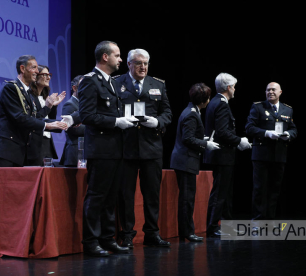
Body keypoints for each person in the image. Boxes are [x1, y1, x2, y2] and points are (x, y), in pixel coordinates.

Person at [79, 41, 136, 257]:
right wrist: (116, 122)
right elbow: (87, 116)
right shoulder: (90, 81)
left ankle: (107, 238)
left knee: (111, 197)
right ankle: (90, 242)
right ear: (105, 57)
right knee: (96, 196)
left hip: (115, 149)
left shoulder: (111, 83)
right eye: (118, 55)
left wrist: (123, 120)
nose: (120, 59)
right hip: (101, 150)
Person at [114, 49, 172, 248]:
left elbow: (167, 113)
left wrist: (157, 121)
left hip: (152, 146)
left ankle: (152, 233)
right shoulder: (116, 83)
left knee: (152, 194)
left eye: (146, 63)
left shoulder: (158, 84)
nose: (143, 67)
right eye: (138, 63)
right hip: (125, 146)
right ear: (128, 64)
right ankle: (127, 233)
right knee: (126, 194)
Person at [0, 55, 67, 167]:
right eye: (34, 67)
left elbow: (35, 117)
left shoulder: (27, 93)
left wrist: (57, 119)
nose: (37, 71)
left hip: (19, 152)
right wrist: (47, 125)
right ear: (22, 69)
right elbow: (20, 118)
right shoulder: (11, 88)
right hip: (6, 152)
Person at [203, 73, 252, 237]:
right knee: (219, 192)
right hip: (221, 155)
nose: (235, 90)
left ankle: (226, 225)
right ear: (229, 88)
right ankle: (212, 227)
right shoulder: (221, 104)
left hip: (222, 155)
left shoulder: (215, 102)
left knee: (224, 192)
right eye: (234, 86)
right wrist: (239, 141)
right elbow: (223, 132)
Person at [170, 83, 219, 242]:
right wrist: (205, 144)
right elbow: (187, 138)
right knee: (186, 200)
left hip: (186, 160)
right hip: (185, 161)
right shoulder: (191, 113)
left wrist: (202, 139)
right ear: (204, 100)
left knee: (188, 199)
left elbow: (190, 136)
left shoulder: (192, 110)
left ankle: (187, 231)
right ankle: (187, 232)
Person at [245, 82, 297, 227]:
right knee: (259, 189)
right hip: (261, 155)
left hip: (279, 155)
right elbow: (249, 128)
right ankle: (257, 222)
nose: (270, 92)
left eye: (273, 90)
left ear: (280, 92)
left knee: (274, 190)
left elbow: (293, 129)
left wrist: (288, 134)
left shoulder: (287, 110)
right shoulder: (258, 107)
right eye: (268, 90)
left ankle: (270, 221)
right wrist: (266, 133)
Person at [28, 65, 66, 166]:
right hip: (34, 144)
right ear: (35, 77)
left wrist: (53, 106)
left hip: (47, 142)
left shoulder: (45, 98)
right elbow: (35, 119)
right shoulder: (29, 97)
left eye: (49, 75)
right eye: (45, 75)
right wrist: (48, 107)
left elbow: (50, 120)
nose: (48, 77)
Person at [60, 75, 86, 167]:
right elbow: (72, 129)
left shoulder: (85, 105)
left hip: (85, 151)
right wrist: (93, 125)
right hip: (74, 153)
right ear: (74, 88)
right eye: (83, 86)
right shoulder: (69, 105)